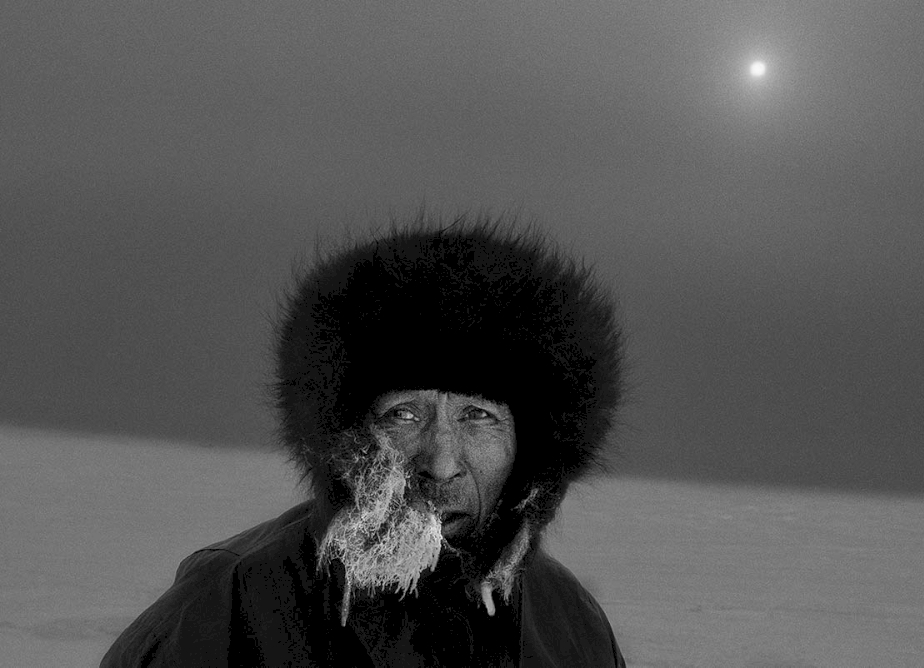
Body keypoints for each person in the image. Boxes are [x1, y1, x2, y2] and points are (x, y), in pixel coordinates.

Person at [101, 215, 627, 667]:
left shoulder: (572, 626)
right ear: (344, 436)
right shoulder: (226, 609)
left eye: (478, 416)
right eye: (404, 414)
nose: (441, 464)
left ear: (531, 450)